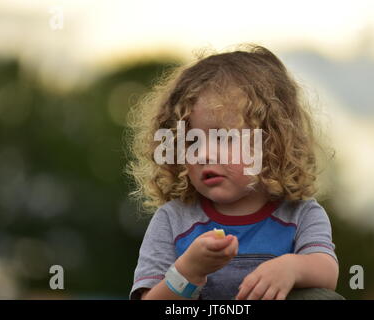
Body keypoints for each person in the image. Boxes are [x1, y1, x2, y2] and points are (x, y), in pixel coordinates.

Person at [126, 44, 343, 300]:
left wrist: (291, 267)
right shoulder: (173, 220)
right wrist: (188, 272)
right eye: (192, 141)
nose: (204, 154)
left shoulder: (300, 213)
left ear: (271, 144)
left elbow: (327, 274)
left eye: (224, 139)